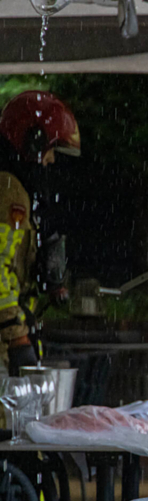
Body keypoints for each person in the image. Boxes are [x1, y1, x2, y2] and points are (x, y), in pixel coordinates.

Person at [0, 90, 77, 375]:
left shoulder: (13, 187)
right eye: (51, 151)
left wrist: (45, 274)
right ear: (33, 143)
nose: (52, 160)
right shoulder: (9, 192)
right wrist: (16, 335)